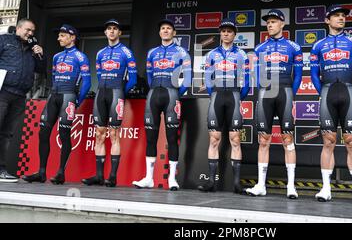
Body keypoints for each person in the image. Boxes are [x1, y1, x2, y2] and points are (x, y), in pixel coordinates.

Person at [310, 5, 352, 204]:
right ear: (327, 20)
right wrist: (322, 92)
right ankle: (326, 188)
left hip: (348, 91)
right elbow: (314, 75)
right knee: (328, 141)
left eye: (343, 16)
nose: (341, 18)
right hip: (327, 93)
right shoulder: (318, 45)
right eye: (336, 16)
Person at [245, 9, 303, 199]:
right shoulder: (260, 48)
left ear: (282, 24)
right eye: (268, 22)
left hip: (285, 91)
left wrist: (290, 94)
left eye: (274, 21)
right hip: (266, 93)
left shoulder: (294, 47)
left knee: (288, 140)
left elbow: (299, 76)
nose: (270, 25)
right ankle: (261, 185)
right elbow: (255, 75)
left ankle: (291, 186)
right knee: (263, 140)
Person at [23, 25, 91, 184]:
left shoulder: (81, 57)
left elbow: (87, 82)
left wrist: (77, 101)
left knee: (64, 133)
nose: (59, 38)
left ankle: (61, 173)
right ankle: (41, 172)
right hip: (54, 95)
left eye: (62, 35)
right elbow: (53, 76)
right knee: (43, 132)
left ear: (72, 37)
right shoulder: (56, 56)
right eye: (59, 35)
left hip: (69, 96)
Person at [132, 19, 191, 191]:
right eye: (163, 28)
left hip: (172, 95)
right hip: (153, 95)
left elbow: (187, 79)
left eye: (169, 28)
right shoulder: (152, 52)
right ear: (159, 33)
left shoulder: (182, 52)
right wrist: (154, 91)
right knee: (151, 138)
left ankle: (172, 179)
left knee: (172, 138)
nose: (165, 31)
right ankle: (149, 178)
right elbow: (149, 76)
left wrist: (176, 94)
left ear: (174, 33)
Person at [82, 19, 137, 187]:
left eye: (115, 29)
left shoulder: (126, 52)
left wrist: (121, 92)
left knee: (114, 134)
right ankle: (99, 176)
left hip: (116, 93)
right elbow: (98, 76)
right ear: (105, 33)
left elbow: (133, 79)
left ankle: (112, 176)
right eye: (109, 29)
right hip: (101, 93)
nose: (112, 31)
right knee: (99, 134)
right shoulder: (100, 53)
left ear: (120, 33)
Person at [198, 18, 250, 193]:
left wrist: (238, 96)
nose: (226, 34)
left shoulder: (242, 55)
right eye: (223, 31)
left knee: (235, 140)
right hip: (217, 96)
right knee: (214, 139)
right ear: (220, 33)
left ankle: (236, 183)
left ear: (235, 34)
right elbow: (206, 79)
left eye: (229, 31)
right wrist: (213, 95)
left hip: (234, 96)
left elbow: (248, 81)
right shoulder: (211, 54)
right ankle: (211, 181)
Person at [0, 18, 46, 182]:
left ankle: (2, 169)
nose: (30, 33)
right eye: (28, 30)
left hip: (20, 95)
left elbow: (41, 70)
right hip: (2, 91)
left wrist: (40, 55)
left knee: (7, 133)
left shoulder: (32, 49)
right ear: (18, 28)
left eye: (32, 31)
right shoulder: (4, 40)